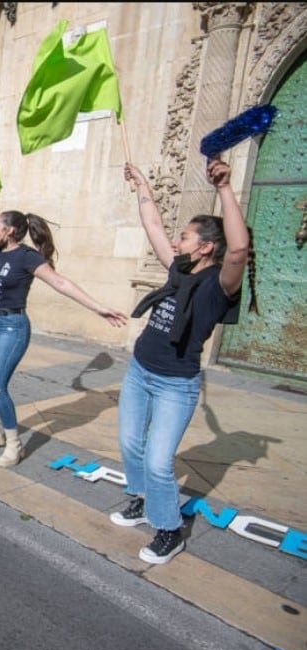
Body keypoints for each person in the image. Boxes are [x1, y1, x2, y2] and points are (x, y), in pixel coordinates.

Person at [110, 158, 252, 565]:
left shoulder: (217, 287)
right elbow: (153, 227)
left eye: (186, 237)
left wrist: (224, 188)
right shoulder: (178, 270)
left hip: (175, 384)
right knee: (130, 445)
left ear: (206, 246)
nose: (176, 242)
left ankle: (169, 530)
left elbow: (238, 248)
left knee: (158, 462)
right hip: (140, 372)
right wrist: (142, 185)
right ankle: (140, 501)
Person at [0, 204, 127, 468]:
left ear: (8, 230)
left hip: (12, 327)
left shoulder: (27, 257)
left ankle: (13, 445)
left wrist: (98, 308)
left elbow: (60, 282)